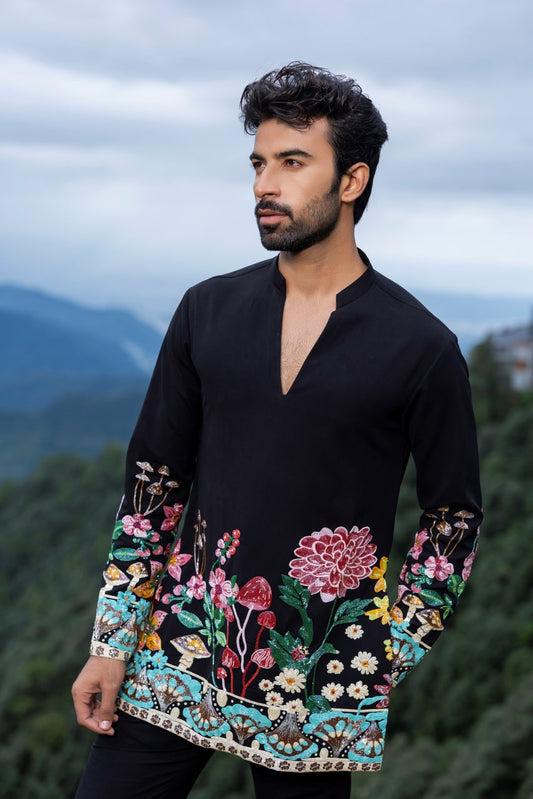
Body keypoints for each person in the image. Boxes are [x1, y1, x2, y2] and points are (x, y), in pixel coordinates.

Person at [72, 62, 482, 799]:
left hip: (319, 681)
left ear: (351, 181)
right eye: (259, 164)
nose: (265, 184)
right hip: (176, 649)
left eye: (292, 162)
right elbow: (153, 488)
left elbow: (453, 518)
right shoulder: (206, 310)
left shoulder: (421, 346)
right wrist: (111, 642)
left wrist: (381, 653)